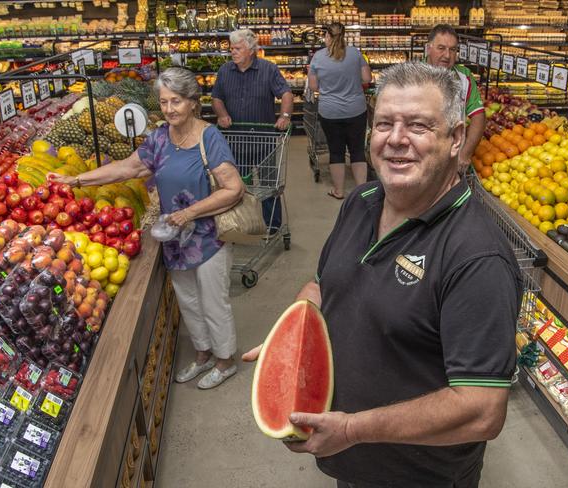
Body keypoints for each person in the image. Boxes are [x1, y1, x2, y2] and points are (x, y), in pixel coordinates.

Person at [244, 62, 523, 487]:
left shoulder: (476, 257)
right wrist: (295, 332)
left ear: (457, 139)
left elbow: (482, 410)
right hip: (351, 464)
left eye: (419, 126)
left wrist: (354, 429)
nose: (396, 139)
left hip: (417, 476)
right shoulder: (361, 201)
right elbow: (324, 285)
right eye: (385, 123)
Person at [50, 68, 245, 390]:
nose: (169, 109)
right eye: (164, 102)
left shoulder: (209, 138)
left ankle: (225, 361)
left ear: (193, 103)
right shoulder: (158, 139)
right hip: (174, 237)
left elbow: (232, 189)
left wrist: (190, 213)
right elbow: (128, 168)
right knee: (189, 301)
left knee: (213, 301)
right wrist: (76, 180)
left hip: (208, 237)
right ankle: (202, 354)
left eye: (177, 101)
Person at [212, 28, 293, 233]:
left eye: (237, 48)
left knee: (268, 185)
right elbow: (217, 98)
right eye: (232, 48)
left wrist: (284, 117)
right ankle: (240, 224)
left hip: (263, 140)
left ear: (250, 50)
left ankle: (272, 226)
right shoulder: (224, 71)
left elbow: (286, 94)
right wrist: (221, 114)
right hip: (235, 141)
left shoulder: (268, 69)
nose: (233, 52)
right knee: (236, 187)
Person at [308, 22, 372, 200]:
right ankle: (362, 192)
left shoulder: (318, 58)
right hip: (356, 109)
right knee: (357, 150)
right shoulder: (355, 53)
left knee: (336, 151)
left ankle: (339, 191)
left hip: (330, 112)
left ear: (327, 37)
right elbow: (367, 78)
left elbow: (314, 86)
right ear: (343, 36)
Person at [426, 24, 486, 172]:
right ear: (428, 48)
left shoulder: (464, 77)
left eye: (452, 49)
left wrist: (465, 154)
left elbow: (479, 116)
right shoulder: (412, 76)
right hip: (422, 158)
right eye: (441, 48)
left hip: (453, 161)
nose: (447, 55)